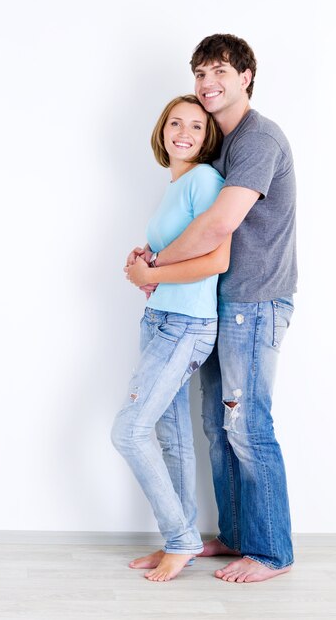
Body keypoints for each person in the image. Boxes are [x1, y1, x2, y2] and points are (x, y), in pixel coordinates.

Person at [126, 34, 298, 584]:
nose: (207, 84)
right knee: (215, 426)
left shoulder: (258, 139)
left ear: (247, 75)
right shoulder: (221, 143)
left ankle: (271, 552)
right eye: (199, 73)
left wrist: (153, 268)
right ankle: (235, 535)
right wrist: (156, 261)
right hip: (222, 304)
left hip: (256, 300)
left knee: (247, 426)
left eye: (219, 70)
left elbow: (218, 228)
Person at [111, 94, 231, 582]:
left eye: (196, 127)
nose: (184, 133)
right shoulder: (176, 184)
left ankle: (181, 539)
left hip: (186, 326)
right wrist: (147, 260)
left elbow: (217, 261)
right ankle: (176, 543)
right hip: (162, 322)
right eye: (175, 123)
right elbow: (171, 260)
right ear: (162, 130)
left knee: (129, 431)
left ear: (207, 139)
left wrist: (151, 272)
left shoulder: (205, 179)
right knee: (171, 436)